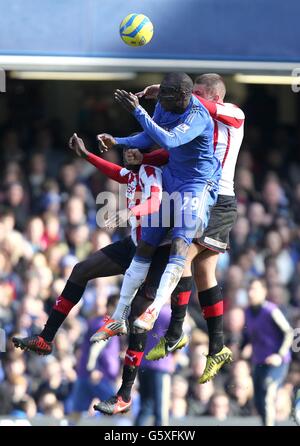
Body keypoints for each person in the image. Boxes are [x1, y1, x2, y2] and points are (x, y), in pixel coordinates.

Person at [129, 73, 245, 384]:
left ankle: (176, 331)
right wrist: (145, 156)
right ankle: (216, 347)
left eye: (195, 92)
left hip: (218, 197)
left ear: (213, 96)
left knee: (182, 255)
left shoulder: (234, 113)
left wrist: (165, 93)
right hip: (195, 193)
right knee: (205, 273)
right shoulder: (193, 120)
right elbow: (173, 151)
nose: (190, 98)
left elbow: (211, 111)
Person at [95, 72, 221, 345]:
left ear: (184, 96)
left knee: (179, 243)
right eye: (160, 94)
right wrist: (118, 141)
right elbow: (147, 135)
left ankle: (154, 310)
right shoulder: (165, 105)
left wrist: (138, 111)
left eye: (166, 95)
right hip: (172, 178)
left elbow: (169, 140)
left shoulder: (197, 116)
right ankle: (118, 316)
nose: (160, 100)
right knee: (146, 244)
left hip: (196, 184)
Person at [12, 134, 163, 354]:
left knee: (137, 316)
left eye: (134, 149)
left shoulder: (151, 172)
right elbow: (111, 170)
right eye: (126, 149)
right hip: (133, 244)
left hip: (150, 252)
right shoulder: (132, 175)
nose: (127, 153)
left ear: (146, 154)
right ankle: (45, 339)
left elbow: (156, 202)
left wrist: (131, 211)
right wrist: (85, 155)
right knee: (80, 270)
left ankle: (127, 386)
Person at [242, 278, 293, 426]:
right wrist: (245, 346)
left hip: (276, 362)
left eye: (255, 290)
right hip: (259, 361)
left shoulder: (271, 311)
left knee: (267, 392)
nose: (251, 293)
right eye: (249, 290)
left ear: (264, 292)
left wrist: (280, 355)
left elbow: (289, 332)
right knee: (258, 400)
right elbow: (250, 335)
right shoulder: (247, 312)